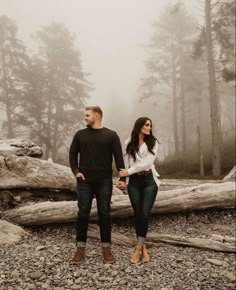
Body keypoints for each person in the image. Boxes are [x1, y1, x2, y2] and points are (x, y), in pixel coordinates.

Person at [69, 106, 126, 264]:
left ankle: (106, 249)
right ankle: (80, 250)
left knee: (105, 214)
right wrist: (76, 172)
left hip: (104, 181)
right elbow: (73, 154)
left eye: (87, 115)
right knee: (83, 213)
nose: (85, 118)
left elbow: (118, 158)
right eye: (85, 115)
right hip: (85, 181)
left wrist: (123, 179)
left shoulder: (111, 135)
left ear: (97, 116)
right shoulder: (80, 135)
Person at [119, 117, 160, 264]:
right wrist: (124, 180)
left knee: (144, 212)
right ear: (139, 126)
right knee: (138, 214)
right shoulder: (128, 142)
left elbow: (146, 163)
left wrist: (128, 172)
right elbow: (126, 163)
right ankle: (143, 247)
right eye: (147, 125)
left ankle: (138, 247)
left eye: (150, 125)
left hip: (149, 181)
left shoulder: (154, 142)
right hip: (134, 182)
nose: (149, 127)